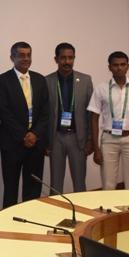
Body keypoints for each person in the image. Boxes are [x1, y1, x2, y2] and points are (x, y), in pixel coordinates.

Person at [87, 51, 129, 190]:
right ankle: (109, 205)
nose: (119, 68)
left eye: (123, 64)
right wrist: (96, 148)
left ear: (128, 66)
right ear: (109, 67)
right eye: (115, 65)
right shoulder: (101, 89)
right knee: (108, 183)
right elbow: (94, 119)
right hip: (109, 140)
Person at [0, 41, 50, 208]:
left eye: (28, 55)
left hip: (36, 144)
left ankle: (31, 217)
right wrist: (23, 135)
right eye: (21, 55)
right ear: (12, 57)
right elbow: (4, 112)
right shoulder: (3, 80)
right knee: (11, 188)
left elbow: (46, 111)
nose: (26, 59)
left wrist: (35, 134)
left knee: (33, 187)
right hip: (12, 144)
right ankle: (9, 219)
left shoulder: (40, 79)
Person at [45, 43, 94, 193]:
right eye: (63, 58)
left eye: (70, 58)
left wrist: (90, 138)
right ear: (56, 59)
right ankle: (56, 206)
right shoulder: (47, 81)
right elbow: (44, 113)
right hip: (56, 138)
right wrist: (46, 140)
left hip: (77, 137)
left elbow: (90, 113)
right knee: (55, 182)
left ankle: (81, 207)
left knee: (79, 181)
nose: (67, 61)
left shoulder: (85, 80)